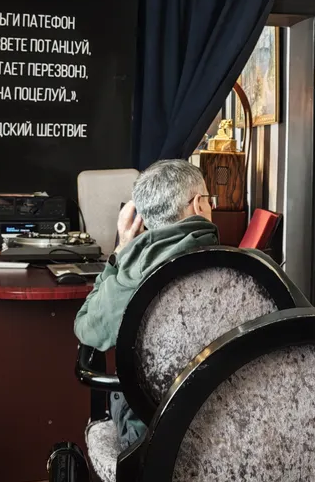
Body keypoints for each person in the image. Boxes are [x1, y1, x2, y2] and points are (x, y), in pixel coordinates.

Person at [73, 159, 217, 448]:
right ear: (199, 205)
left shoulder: (129, 280)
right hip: (238, 432)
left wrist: (120, 252)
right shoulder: (253, 267)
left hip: (153, 442)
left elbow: (86, 329)